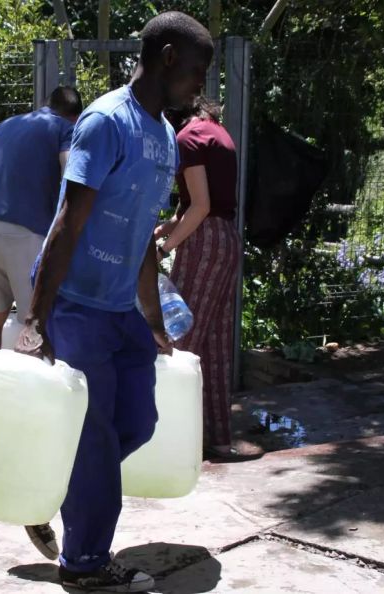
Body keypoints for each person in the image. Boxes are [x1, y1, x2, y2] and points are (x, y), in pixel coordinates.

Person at [14, 12, 213, 592]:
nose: (202, 84)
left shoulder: (163, 138)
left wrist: (151, 317)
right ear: (168, 56)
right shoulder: (106, 121)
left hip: (119, 306)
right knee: (96, 435)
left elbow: (141, 237)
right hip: (73, 302)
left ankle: (46, 486)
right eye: (198, 70)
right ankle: (85, 563)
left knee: (138, 422)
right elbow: (68, 224)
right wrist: (37, 316)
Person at [0, 87, 82, 351]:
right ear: (75, 117)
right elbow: (71, 180)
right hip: (24, 234)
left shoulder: (7, 126)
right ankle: (31, 391)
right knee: (36, 322)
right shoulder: (65, 129)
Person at [158, 97, 241, 458]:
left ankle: (169, 441)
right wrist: (158, 233)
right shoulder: (217, 133)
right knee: (215, 345)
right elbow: (196, 206)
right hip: (227, 238)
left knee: (178, 337)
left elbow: (200, 207)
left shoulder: (187, 139)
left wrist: (163, 250)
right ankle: (218, 439)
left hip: (204, 241)